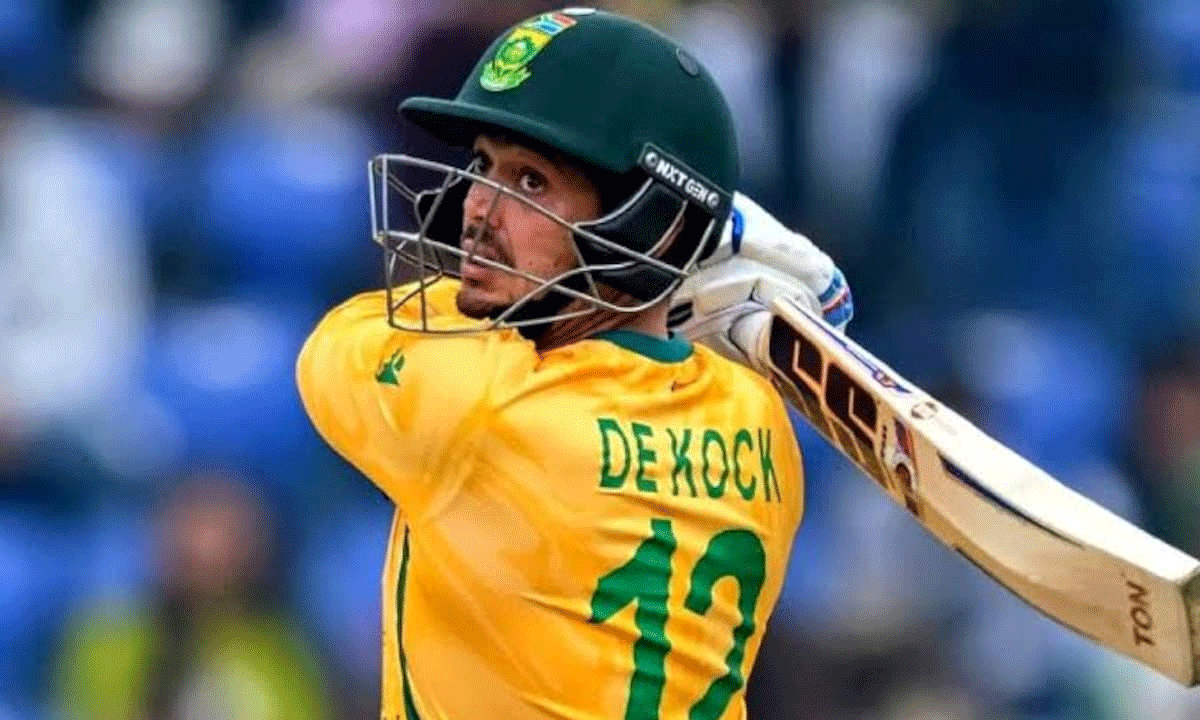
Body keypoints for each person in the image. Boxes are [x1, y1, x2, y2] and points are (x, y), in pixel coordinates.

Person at [297, 8, 849, 719]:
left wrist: (678, 265)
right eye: (483, 166)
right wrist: (679, 269)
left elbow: (336, 347)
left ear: (650, 224)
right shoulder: (759, 420)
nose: (476, 209)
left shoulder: (481, 406)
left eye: (531, 183)